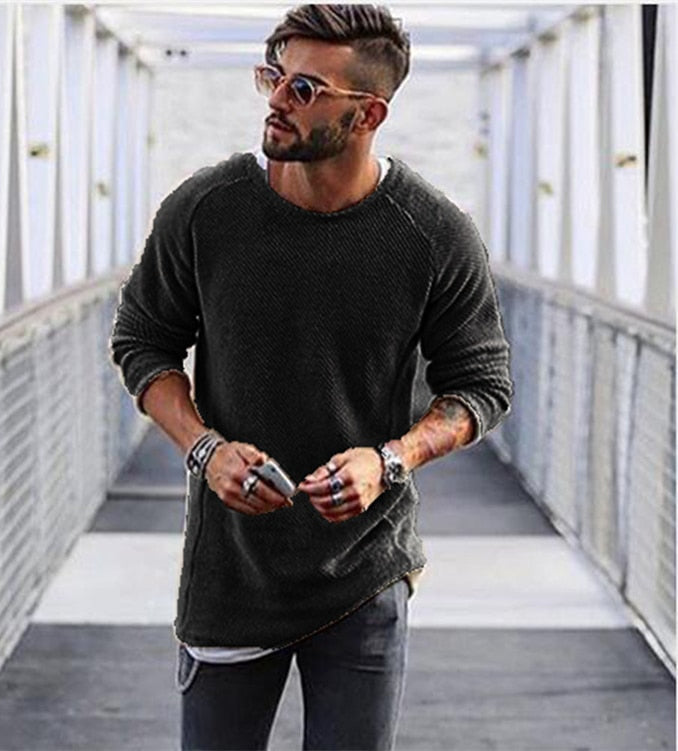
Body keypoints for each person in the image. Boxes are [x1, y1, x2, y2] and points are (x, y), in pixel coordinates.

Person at [108, 4, 514, 749]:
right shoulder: (204, 209)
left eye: (303, 89)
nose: (276, 99)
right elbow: (142, 342)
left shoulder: (432, 232)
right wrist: (204, 448)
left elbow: (482, 385)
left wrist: (389, 461)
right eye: (274, 75)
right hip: (231, 573)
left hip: (366, 570)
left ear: (369, 114)